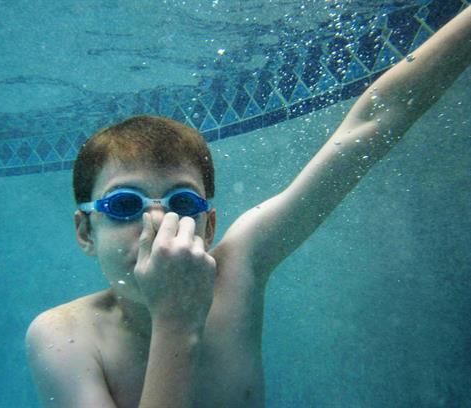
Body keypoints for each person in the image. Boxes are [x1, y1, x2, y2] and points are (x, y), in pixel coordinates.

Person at [26, 6, 471, 408]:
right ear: (86, 231)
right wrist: (176, 320)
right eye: (125, 204)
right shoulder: (64, 335)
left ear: (208, 227)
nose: (158, 222)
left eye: (183, 202)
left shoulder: (239, 266)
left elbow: (372, 123)